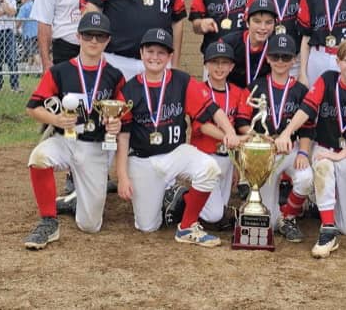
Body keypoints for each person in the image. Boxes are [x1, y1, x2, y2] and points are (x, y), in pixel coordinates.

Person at [115, 28, 240, 246]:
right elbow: (123, 138)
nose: (155, 57)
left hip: (175, 152)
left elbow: (212, 109)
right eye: (150, 51)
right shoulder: (130, 89)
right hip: (142, 159)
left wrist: (229, 131)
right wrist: (122, 176)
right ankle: (177, 197)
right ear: (142, 53)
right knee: (147, 227)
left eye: (161, 53)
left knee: (209, 167)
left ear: (170, 56)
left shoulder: (181, 80)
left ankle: (187, 226)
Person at [22, 12, 125, 249]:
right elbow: (33, 108)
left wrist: (115, 123)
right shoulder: (60, 71)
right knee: (38, 158)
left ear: (108, 40)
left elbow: (120, 114)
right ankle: (49, 221)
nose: (94, 41)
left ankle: (74, 200)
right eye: (88, 35)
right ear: (79, 36)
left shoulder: (114, 75)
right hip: (65, 140)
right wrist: (56, 119)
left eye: (100, 37)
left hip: (95, 146)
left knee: (90, 226)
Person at [274, 38, 346, 258]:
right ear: (338, 61)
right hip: (325, 149)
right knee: (322, 163)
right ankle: (327, 230)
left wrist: (341, 154)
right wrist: (287, 132)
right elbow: (306, 109)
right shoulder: (327, 79)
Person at [237, 34, 313, 243]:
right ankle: (276, 217)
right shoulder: (255, 86)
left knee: (306, 177)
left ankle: (288, 216)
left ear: (293, 60)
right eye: (276, 56)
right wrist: (262, 140)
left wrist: (304, 153)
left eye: (286, 57)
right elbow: (242, 123)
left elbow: (307, 128)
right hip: (262, 152)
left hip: (290, 149)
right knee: (266, 221)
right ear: (268, 58)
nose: (280, 61)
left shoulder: (300, 90)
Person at [191, 40, 250, 228]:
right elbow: (203, 127)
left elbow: (239, 124)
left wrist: (236, 167)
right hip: (204, 156)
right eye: (214, 62)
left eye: (224, 63)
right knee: (215, 215)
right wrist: (229, 136)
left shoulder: (238, 92)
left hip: (227, 157)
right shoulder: (198, 90)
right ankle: (182, 199)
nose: (219, 67)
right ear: (206, 64)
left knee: (219, 211)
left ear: (232, 67)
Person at [222, 0, 276, 88]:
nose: (263, 27)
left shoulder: (276, 46)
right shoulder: (228, 44)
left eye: (268, 22)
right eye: (257, 21)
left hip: (262, 97)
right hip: (231, 95)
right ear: (247, 22)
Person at [16, 0, 39, 68]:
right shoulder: (36, 6)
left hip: (29, 34)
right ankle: (28, 68)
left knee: (34, 52)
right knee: (32, 52)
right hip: (38, 32)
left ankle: (41, 69)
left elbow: (19, 20)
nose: (21, 1)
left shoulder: (24, 7)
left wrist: (16, 28)